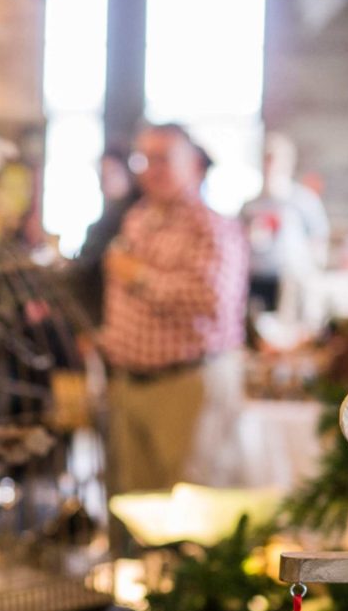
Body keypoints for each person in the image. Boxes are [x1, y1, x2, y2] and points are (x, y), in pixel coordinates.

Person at [101, 123, 249, 494]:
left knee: (190, 504)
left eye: (164, 159)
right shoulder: (138, 217)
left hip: (187, 386)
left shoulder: (212, 226)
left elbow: (212, 299)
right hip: (131, 383)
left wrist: (140, 277)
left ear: (194, 165)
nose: (152, 169)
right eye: (145, 159)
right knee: (135, 506)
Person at [240, 132, 329, 318]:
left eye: (276, 159)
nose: (270, 165)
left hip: (290, 281)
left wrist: (312, 276)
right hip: (255, 279)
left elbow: (319, 238)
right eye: (267, 159)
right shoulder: (250, 205)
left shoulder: (303, 200)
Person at [71, 147, 139, 324]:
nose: (104, 179)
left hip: (113, 314)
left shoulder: (134, 218)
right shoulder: (107, 216)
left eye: (112, 172)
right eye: (101, 173)